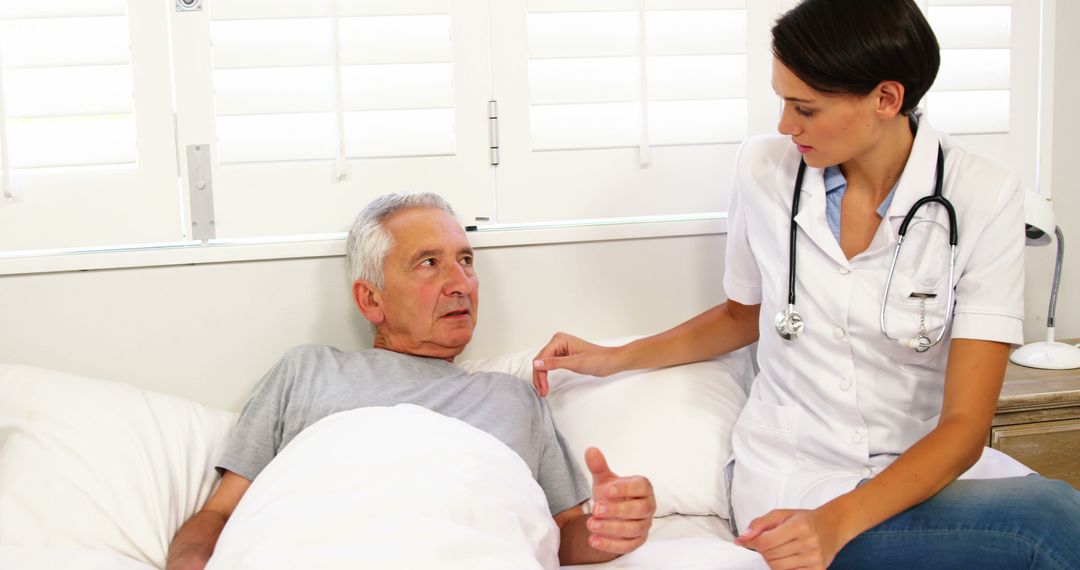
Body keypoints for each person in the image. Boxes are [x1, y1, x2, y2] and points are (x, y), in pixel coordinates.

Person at [530, 1, 1080, 569]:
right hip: (792, 484)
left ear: (886, 99)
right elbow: (743, 314)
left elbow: (966, 427)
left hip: (913, 474)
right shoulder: (763, 170)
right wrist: (615, 357)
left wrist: (838, 523)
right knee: (1047, 526)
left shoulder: (983, 196)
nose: (784, 126)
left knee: (1051, 512)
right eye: (782, 101)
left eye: (805, 108)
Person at [166, 192, 657, 570]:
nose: (460, 281)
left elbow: (563, 534)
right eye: (429, 262)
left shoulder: (515, 395)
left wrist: (607, 528)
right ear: (371, 300)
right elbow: (219, 514)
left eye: (466, 260)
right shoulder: (308, 371)